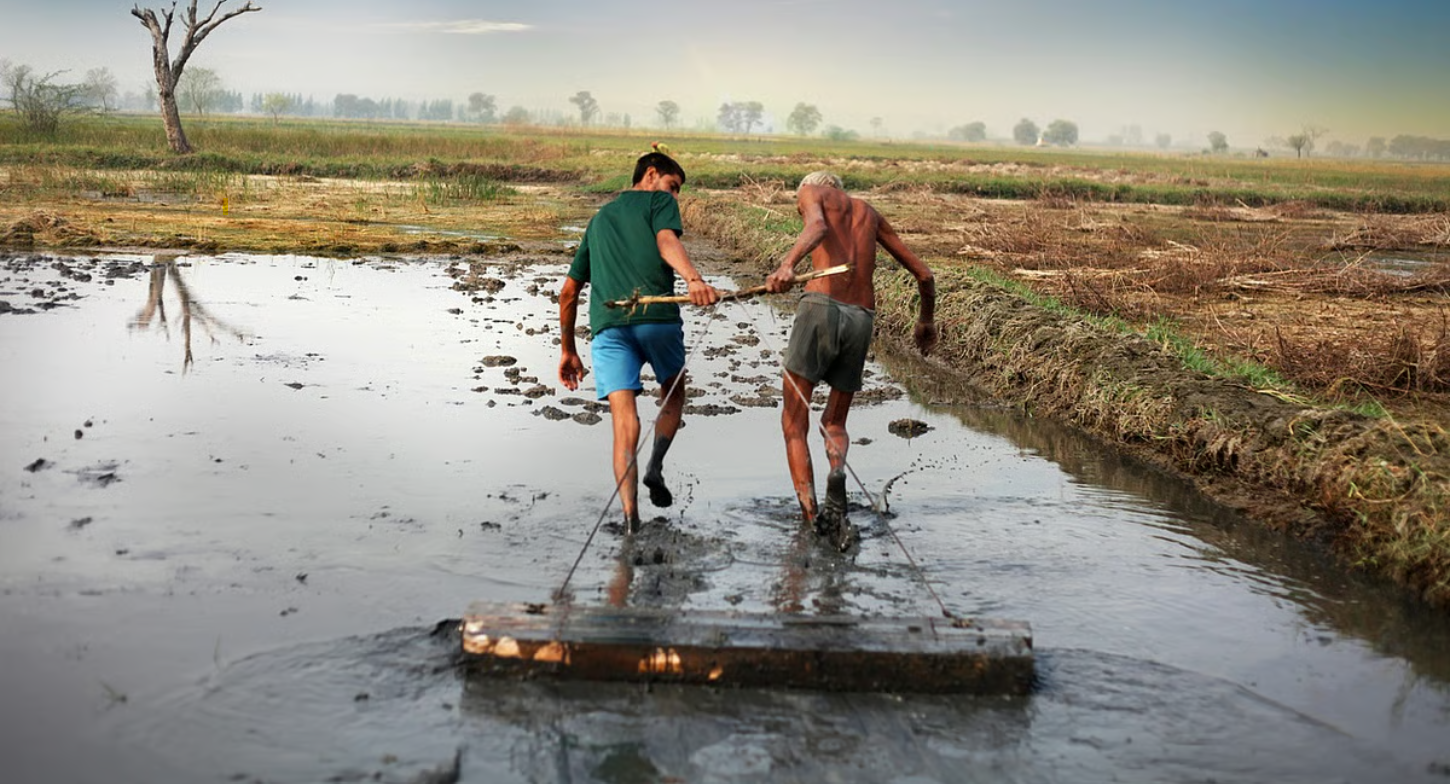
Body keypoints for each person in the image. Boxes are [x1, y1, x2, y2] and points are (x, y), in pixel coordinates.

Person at [764, 171, 938, 541]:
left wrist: (788, 264)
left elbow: (817, 228)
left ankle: (811, 517)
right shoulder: (870, 213)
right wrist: (925, 321)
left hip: (820, 308)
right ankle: (837, 472)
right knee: (836, 422)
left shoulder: (811, 192)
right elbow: (924, 275)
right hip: (861, 318)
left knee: (794, 421)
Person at [558, 151, 720, 532]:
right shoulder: (658, 202)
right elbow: (666, 241)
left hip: (609, 330)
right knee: (674, 392)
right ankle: (655, 466)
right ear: (651, 175)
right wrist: (694, 279)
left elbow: (568, 292)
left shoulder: (597, 221)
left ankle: (630, 519)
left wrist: (568, 350)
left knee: (623, 423)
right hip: (657, 320)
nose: (675, 197)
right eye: (673, 186)